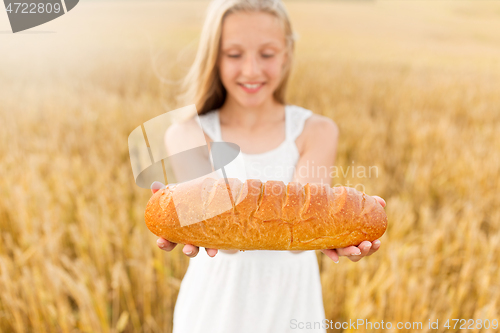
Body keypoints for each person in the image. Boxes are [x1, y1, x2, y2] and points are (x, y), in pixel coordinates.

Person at [150, 0, 385, 332]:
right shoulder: (186, 133)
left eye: (267, 54)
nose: (251, 70)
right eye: (234, 54)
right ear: (213, 56)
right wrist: (190, 218)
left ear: (287, 54)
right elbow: (222, 242)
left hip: (290, 308)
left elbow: (301, 233)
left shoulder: (316, 132)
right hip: (213, 310)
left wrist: (335, 236)